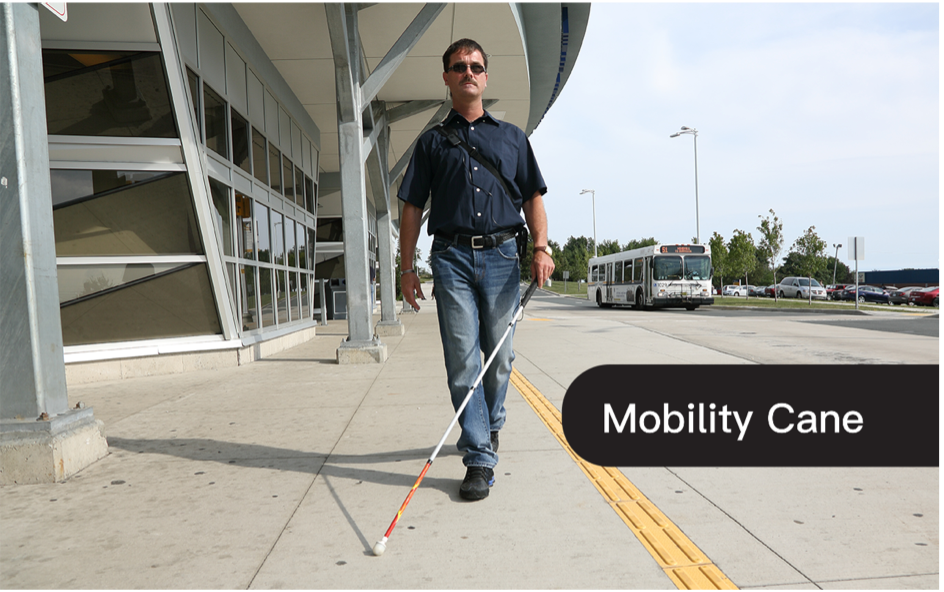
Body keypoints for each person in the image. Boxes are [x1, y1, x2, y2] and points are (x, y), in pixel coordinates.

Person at [398, 38, 554, 501]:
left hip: (504, 258)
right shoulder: (430, 144)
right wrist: (407, 269)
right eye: (459, 66)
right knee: (464, 363)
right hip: (451, 261)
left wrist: (541, 248)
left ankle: (491, 424)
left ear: (486, 77)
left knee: (499, 359)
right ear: (446, 77)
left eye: (476, 66)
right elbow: (411, 209)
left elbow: (533, 198)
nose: (468, 72)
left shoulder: (511, 138)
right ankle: (479, 458)